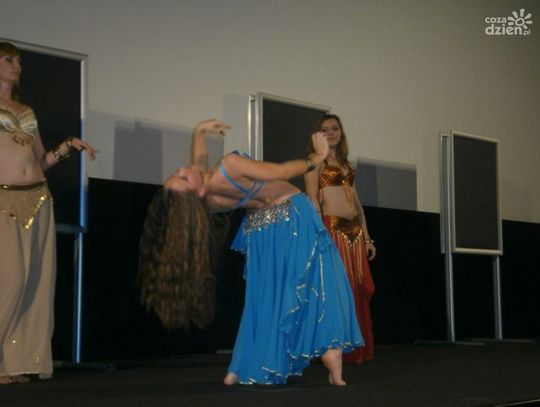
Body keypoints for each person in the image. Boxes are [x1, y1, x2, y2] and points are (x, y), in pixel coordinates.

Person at [138, 119, 363, 386]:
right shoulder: (229, 167)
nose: (183, 169)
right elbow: (281, 171)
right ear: (197, 190)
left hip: (261, 230)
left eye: (177, 172)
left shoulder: (206, 200)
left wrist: (199, 132)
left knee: (266, 296)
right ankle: (331, 352)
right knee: (325, 277)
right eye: (182, 176)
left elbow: (198, 168)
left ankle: (241, 366)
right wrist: (317, 156)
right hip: (291, 214)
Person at [0, 42, 97, 384]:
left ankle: (15, 363)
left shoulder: (26, 110)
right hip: (4, 200)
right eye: (9, 59)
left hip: (39, 198)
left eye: (18, 61)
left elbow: (41, 161)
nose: (17, 66)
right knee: (10, 280)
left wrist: (67, 147)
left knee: (35, 284)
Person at [304, 114, 376, 364]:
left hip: (354, 234)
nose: (331, 132)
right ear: (318, 135)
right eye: (325, 129)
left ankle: (354, 347)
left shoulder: (346, 165)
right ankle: (334, 348)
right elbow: (312, 201)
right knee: (336, 291)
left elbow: (358, 205)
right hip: (331, 231)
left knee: (357, 288)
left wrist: (368, 239)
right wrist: (318, 235)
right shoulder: (314, 161)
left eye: (335, 128)